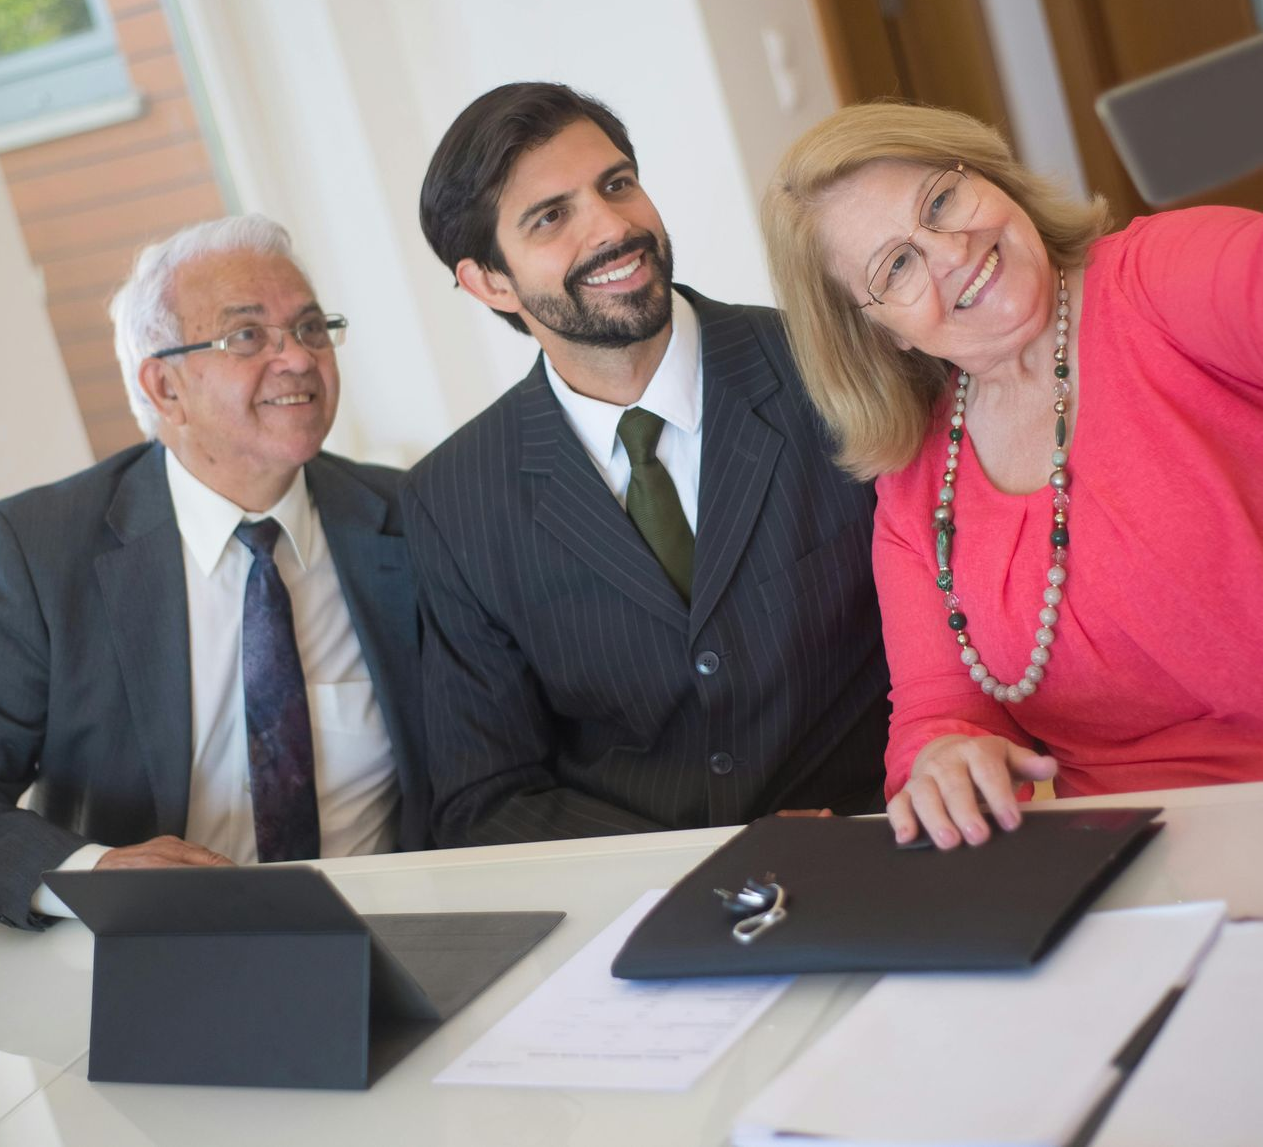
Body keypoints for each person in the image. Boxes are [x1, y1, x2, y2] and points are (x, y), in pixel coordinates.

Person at [762, 100, 1263, 850]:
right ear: (878, 331)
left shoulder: (1166, 277)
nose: (949, 251)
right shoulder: (918, 487)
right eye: (896, 265)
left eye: (941, 200)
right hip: (1140, 857)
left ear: (989, 176)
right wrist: (945, 759)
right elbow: (941, 711)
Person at [406, 81, 889, 846]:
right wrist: (700, 863)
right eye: (550, 216)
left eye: (616, 184)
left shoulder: (826, 363)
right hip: (643, 894)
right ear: (489, 282)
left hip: (883, 847)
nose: (612, 227)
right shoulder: (451, 497)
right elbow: (488, 796)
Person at [0, 215, 427, 931]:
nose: (298, 358)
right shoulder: (39, 551)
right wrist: (92, 873)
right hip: (150, 949)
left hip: (389, 932)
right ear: (164, 387)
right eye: (247, 336)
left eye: (311, 328)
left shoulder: (413, 520)